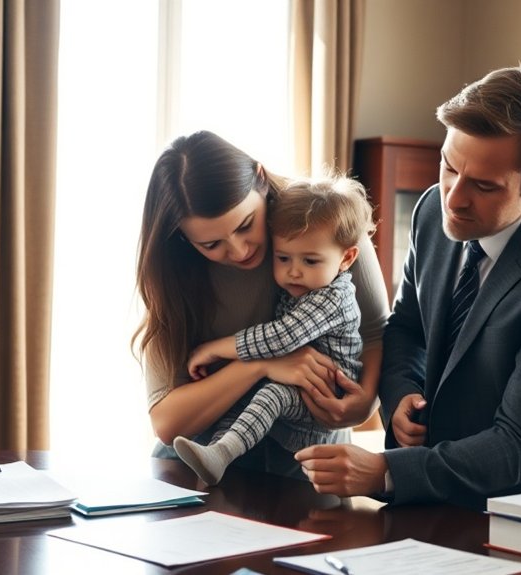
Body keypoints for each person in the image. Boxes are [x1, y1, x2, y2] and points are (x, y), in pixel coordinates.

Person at [295, 66, 521, 509]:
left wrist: (385, 471)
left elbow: (519, 444)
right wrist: (401, 393)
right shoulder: (432, 211)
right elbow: (407, 327)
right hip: (436, 496)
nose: (454, 197)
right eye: (448, 166)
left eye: (484, 185)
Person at [134, 131, 389, 480]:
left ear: (262, 181)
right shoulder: (173, 269)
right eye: (211, 245)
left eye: (245, 225)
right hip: (196, 463)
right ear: (182, 238)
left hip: (306, 460)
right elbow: (167, 422)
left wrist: (363, 404)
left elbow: (375, 330)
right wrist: (261, 365)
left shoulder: (326, 217)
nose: (239, 251)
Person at [172, 176, 375, 485]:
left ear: (347, 258)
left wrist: (214, 348)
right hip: (297, 386)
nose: (294, 271)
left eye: (310, 260)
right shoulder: (302, 288)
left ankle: (223, 453)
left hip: (321, 397)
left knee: (272, 394)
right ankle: (217, 451)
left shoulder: (332, 298)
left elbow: (281, 337)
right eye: (283, 258)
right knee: (246, 395)